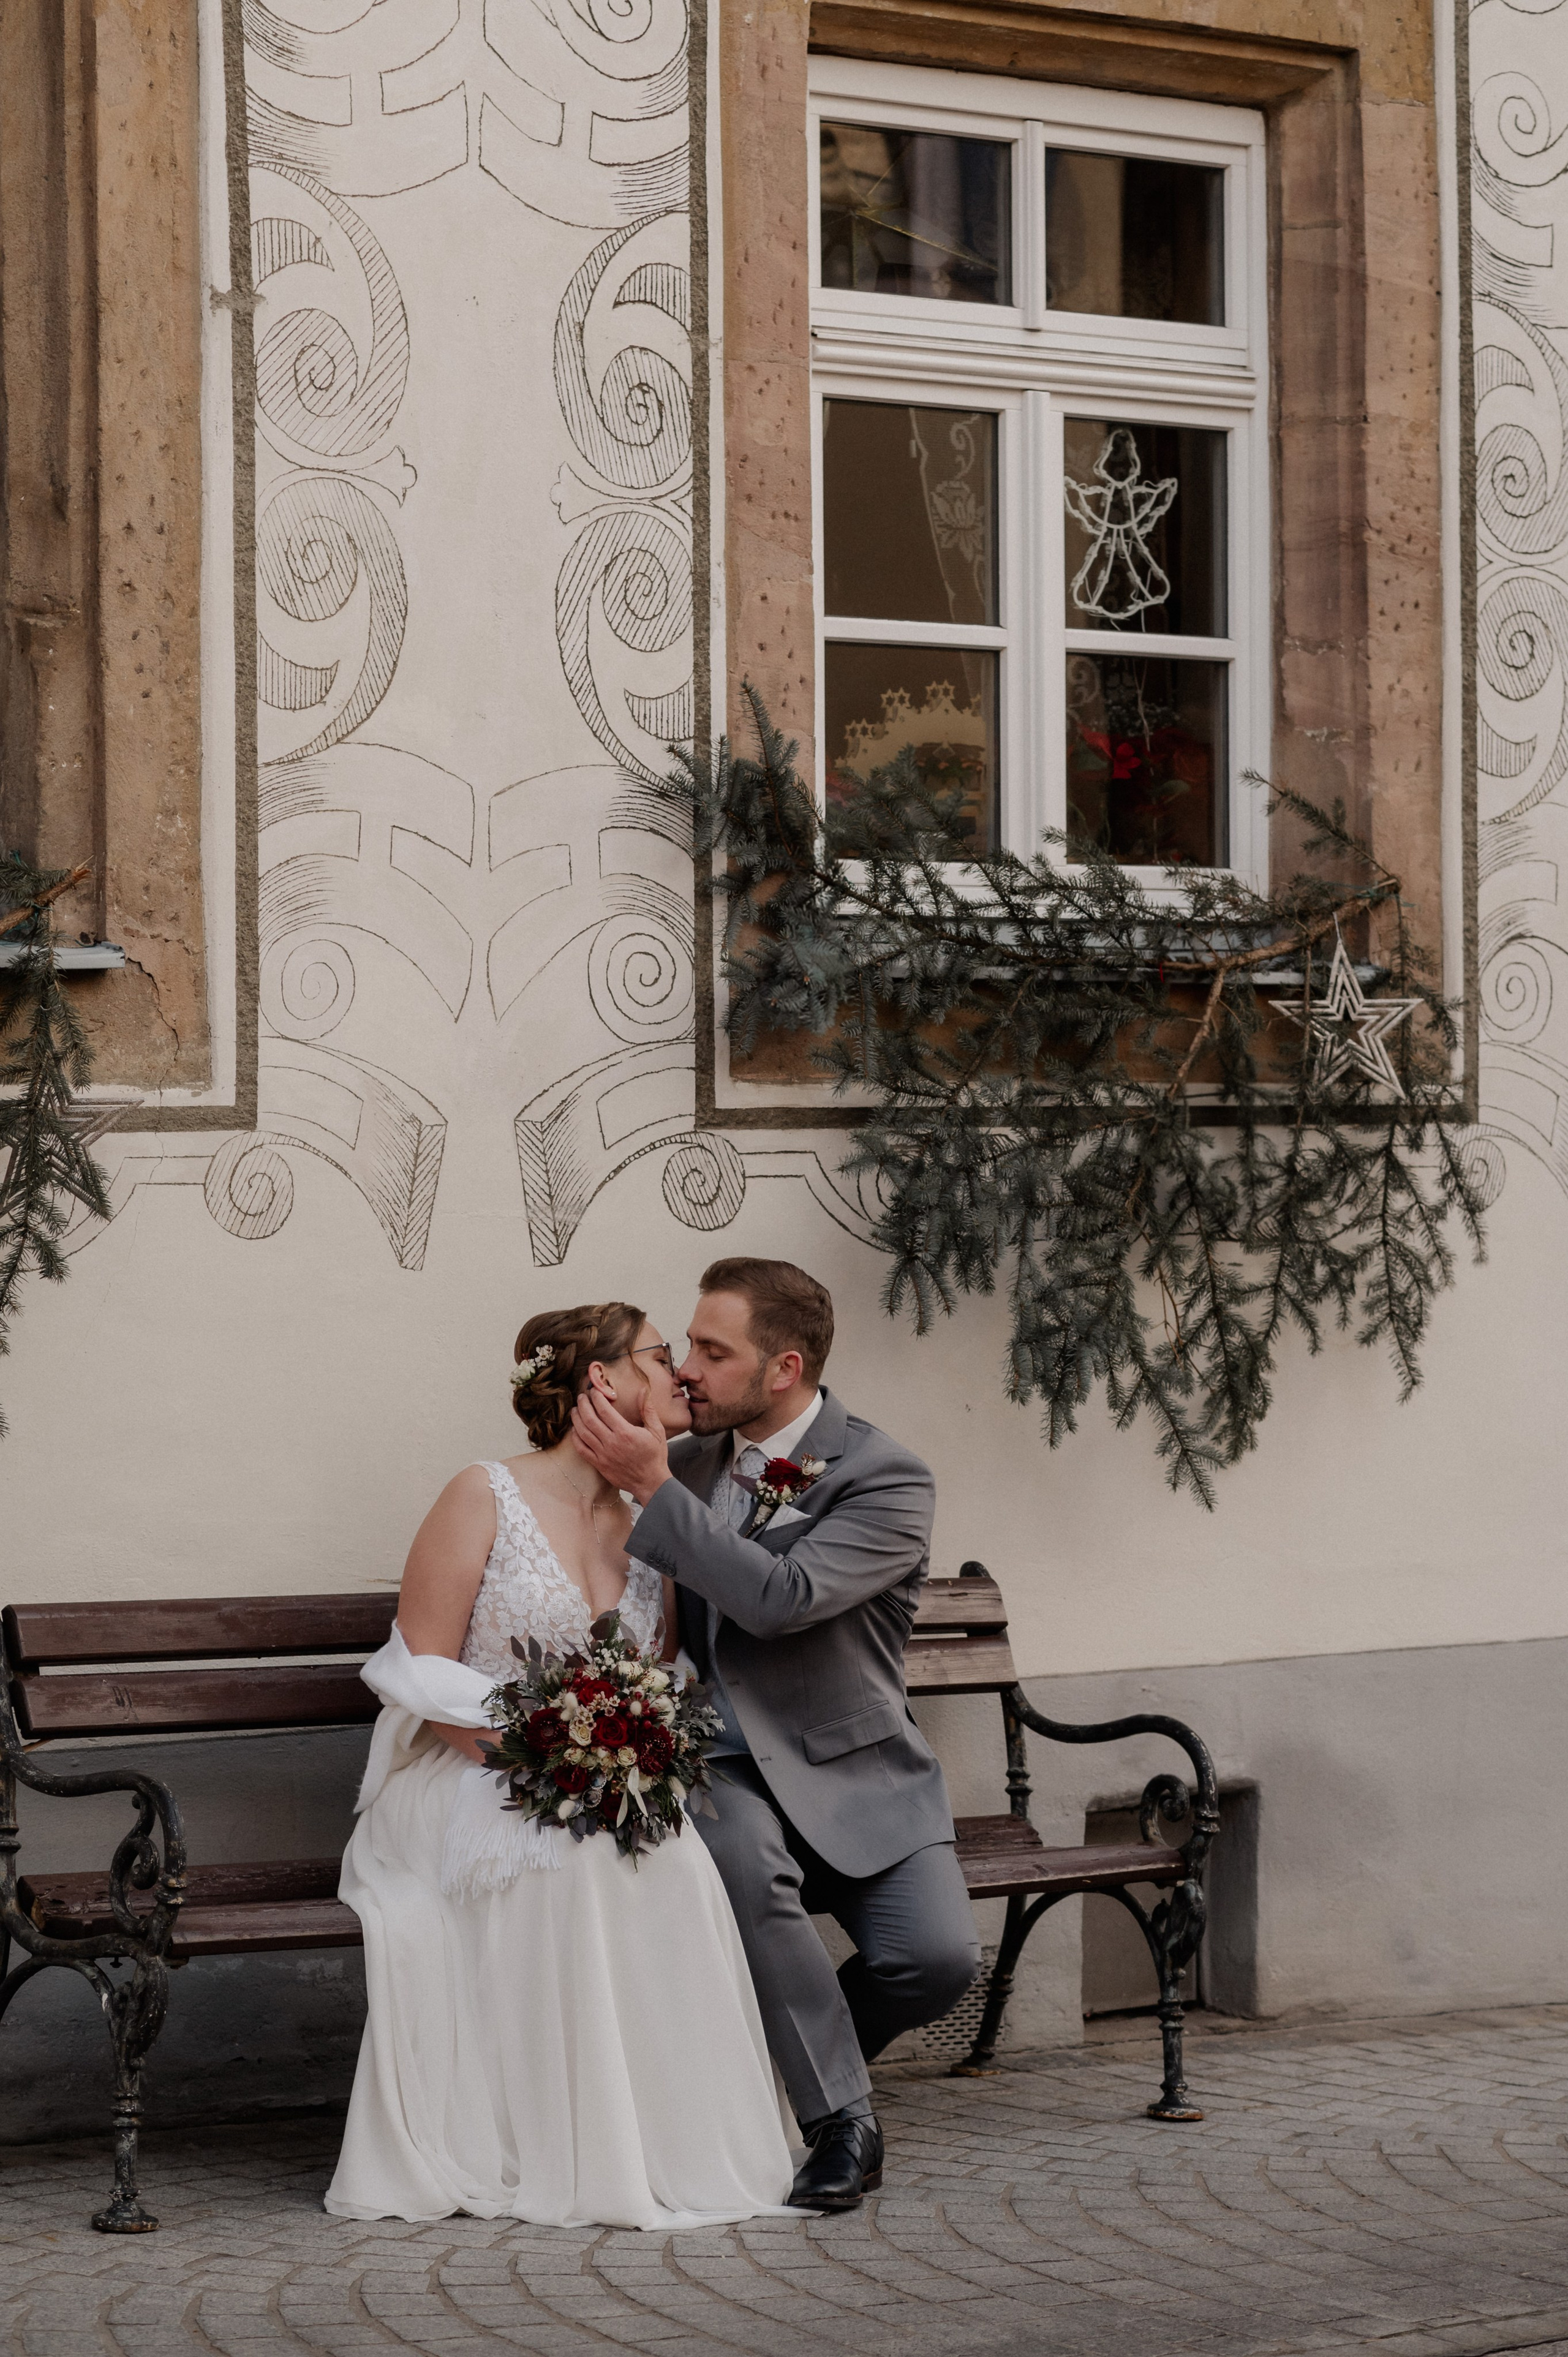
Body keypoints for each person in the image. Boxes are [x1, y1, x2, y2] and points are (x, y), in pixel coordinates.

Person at [324, 1302, 796, 2228]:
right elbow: (420, 1669)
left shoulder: (656, 1523)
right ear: (603, 1381)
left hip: (592, 1775)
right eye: (662, 1357)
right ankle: (547, 2144)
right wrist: (540, 1762)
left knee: (672, 1857)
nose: (681, 1376)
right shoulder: (482, 1493)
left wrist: (621, 1763)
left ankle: (662, 2145)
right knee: (573, 1856)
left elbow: (655, 1678)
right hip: (466, 1768)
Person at [573, 1256, 981, 2212]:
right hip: (721, 1767)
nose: (688, 1373)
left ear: (785, 1369)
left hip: (855, 1770)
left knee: (935, 1962)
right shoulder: (681, 1458)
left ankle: (769, 2059)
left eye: (714, 1353)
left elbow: (783, 1601)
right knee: (750, 1870)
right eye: (689, 1346)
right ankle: (843, 2121)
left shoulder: (887, 1478)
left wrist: (650, 1488)